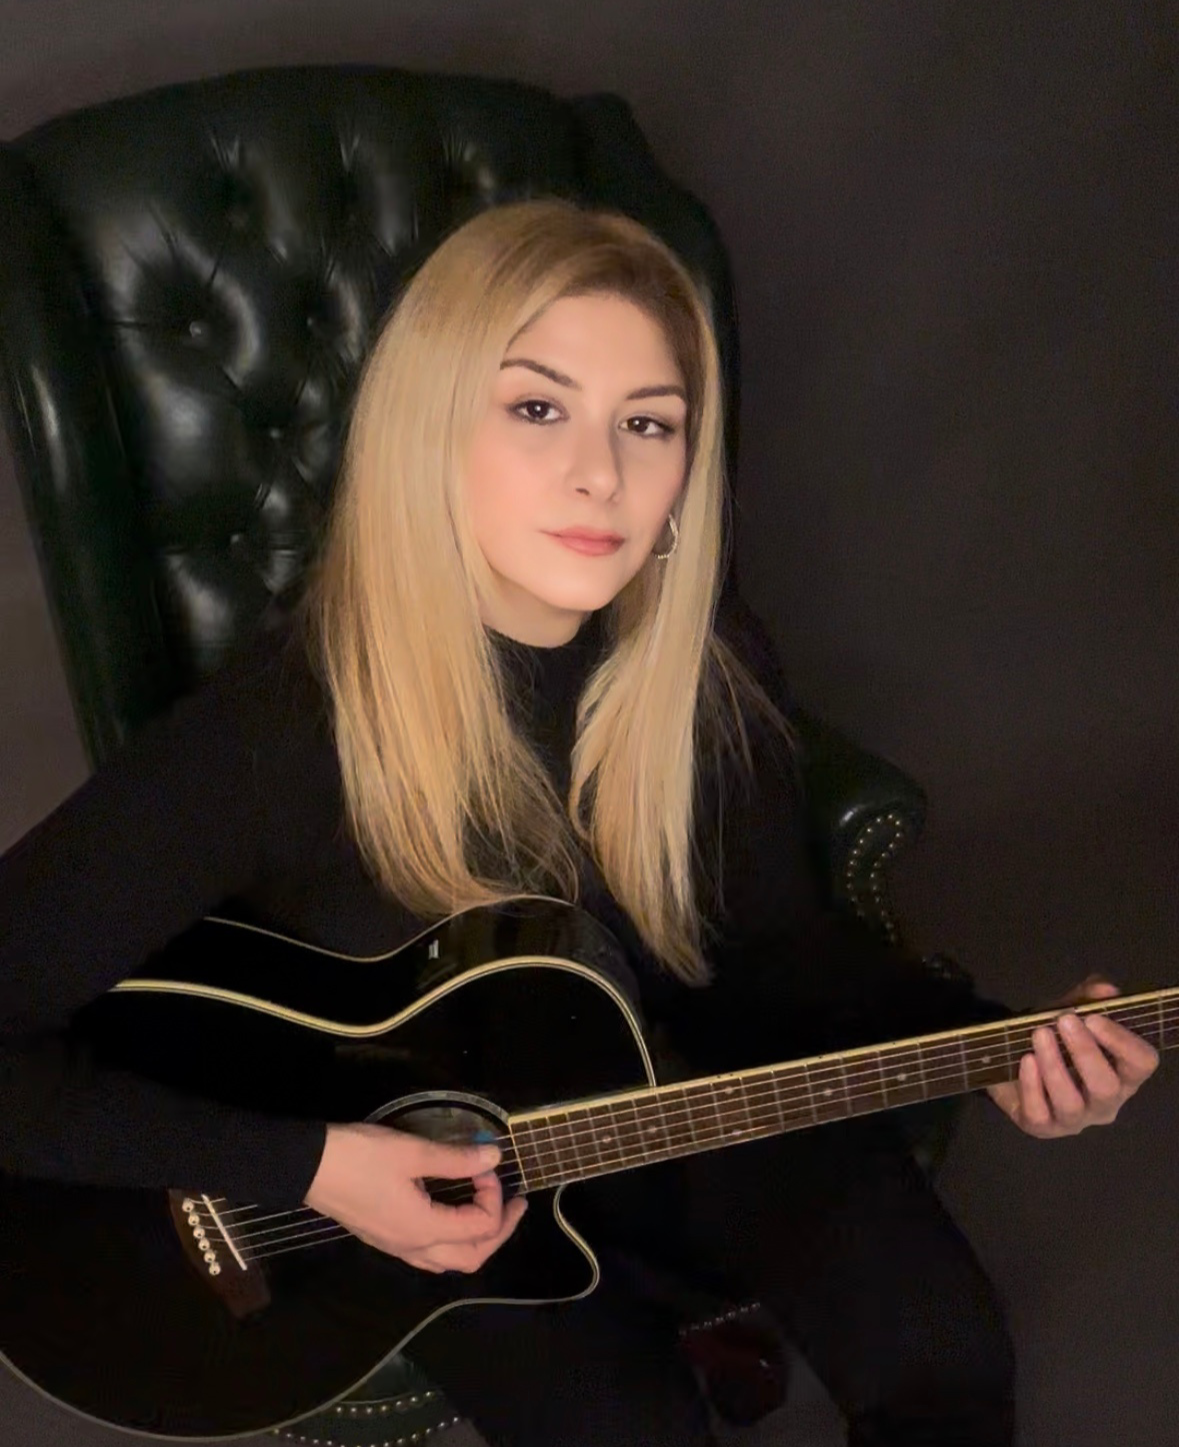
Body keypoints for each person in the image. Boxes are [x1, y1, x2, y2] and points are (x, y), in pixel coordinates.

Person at [0, 199, 1158, 1447]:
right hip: (407, 1205)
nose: (599, 473)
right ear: (429, 433)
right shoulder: (286, 733)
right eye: (538, 407)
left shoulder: (702, 668)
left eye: (647, 424)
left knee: (947, 1353)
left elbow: (780, 961)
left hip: (661, 1100)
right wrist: (315, 1168)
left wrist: (1006, 1051)